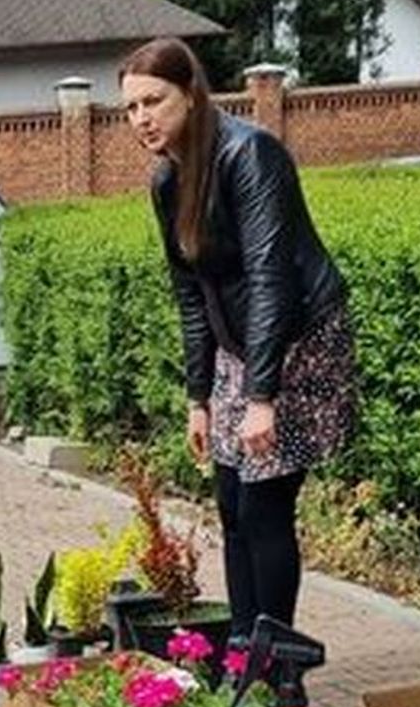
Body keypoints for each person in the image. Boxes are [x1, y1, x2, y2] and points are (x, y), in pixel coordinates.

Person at [119, 38, 354, 642]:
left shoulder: (251, 154)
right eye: (131, 107)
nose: (141, 118)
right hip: (237, 350)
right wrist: (198, 398)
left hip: (298, 340)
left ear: (191, 95)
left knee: (263, 506)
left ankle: (275, 665)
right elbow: (192, 294)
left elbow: (272, 278)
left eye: (153, 101)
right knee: (230, 505)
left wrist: (261, 398)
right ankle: (242, 651)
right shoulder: (167, 180)